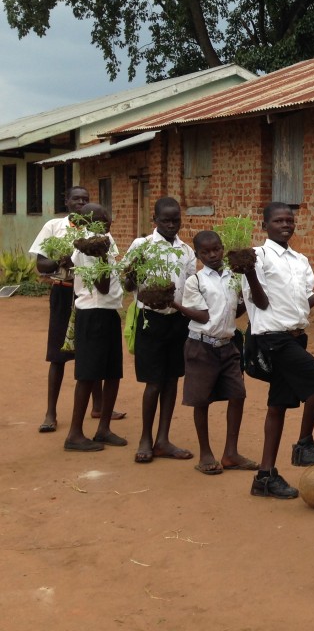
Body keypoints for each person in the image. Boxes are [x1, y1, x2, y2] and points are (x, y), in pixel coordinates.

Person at [243, 202, 314, 499]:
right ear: (265, 224)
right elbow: (261, 303)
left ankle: (264, 477)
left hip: (294, 337)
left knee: (277, 405)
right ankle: (304, 444)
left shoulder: (300, 260)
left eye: (289, 220)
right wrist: (250, 273)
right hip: (271, 338)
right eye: (279, 220)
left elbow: (303, 304)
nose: (285, 225)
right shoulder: (257, 257)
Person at [28, 186, 117, 431]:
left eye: (85, 199)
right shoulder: (54, 227)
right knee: (58, 354)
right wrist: (62, 260)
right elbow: (41, 264)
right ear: (66, 201)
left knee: (92, 351)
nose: (81, 202)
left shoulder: (97, 229)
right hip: (64, 291)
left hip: (90, 295)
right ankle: (51, 412)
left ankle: (98, 405)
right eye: (76, 199)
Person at [178, 230, 258, 475]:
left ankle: (231, 453)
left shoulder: (233, 277)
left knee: (238, 394)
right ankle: (205, 453)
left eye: (217, 249)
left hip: (228, 346)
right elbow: (202, 316)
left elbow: (233, 311)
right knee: (202, 400)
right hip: (201, 346)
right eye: (206, 252)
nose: (213, 255)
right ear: (198, 254)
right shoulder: (196, 281)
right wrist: (176, 305)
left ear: (223, 248)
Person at [124, 197, 197, 463]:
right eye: (165, 220)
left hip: (177, 322)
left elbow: (189, 286)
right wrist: (135, 272)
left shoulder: (186, 251)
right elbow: (126, 282)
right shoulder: (141, 245)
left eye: (175, 220)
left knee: (171, 381)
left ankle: (163, 439)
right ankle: (145, 437)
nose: (171, 225)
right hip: (150, 320)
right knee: (153, 383)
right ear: (154, 220)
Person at [62, 204, 126, 452]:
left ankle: (104, 428)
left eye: (108, 217)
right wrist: (100, 254)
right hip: (92, 313)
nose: (108, 222)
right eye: (101, 220)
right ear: (89, 224)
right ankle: (74, 434)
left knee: (112, 373)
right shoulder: (88, 248)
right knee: (88, 374)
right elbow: (101, 286)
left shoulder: (105, 242)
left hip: (108, 312)